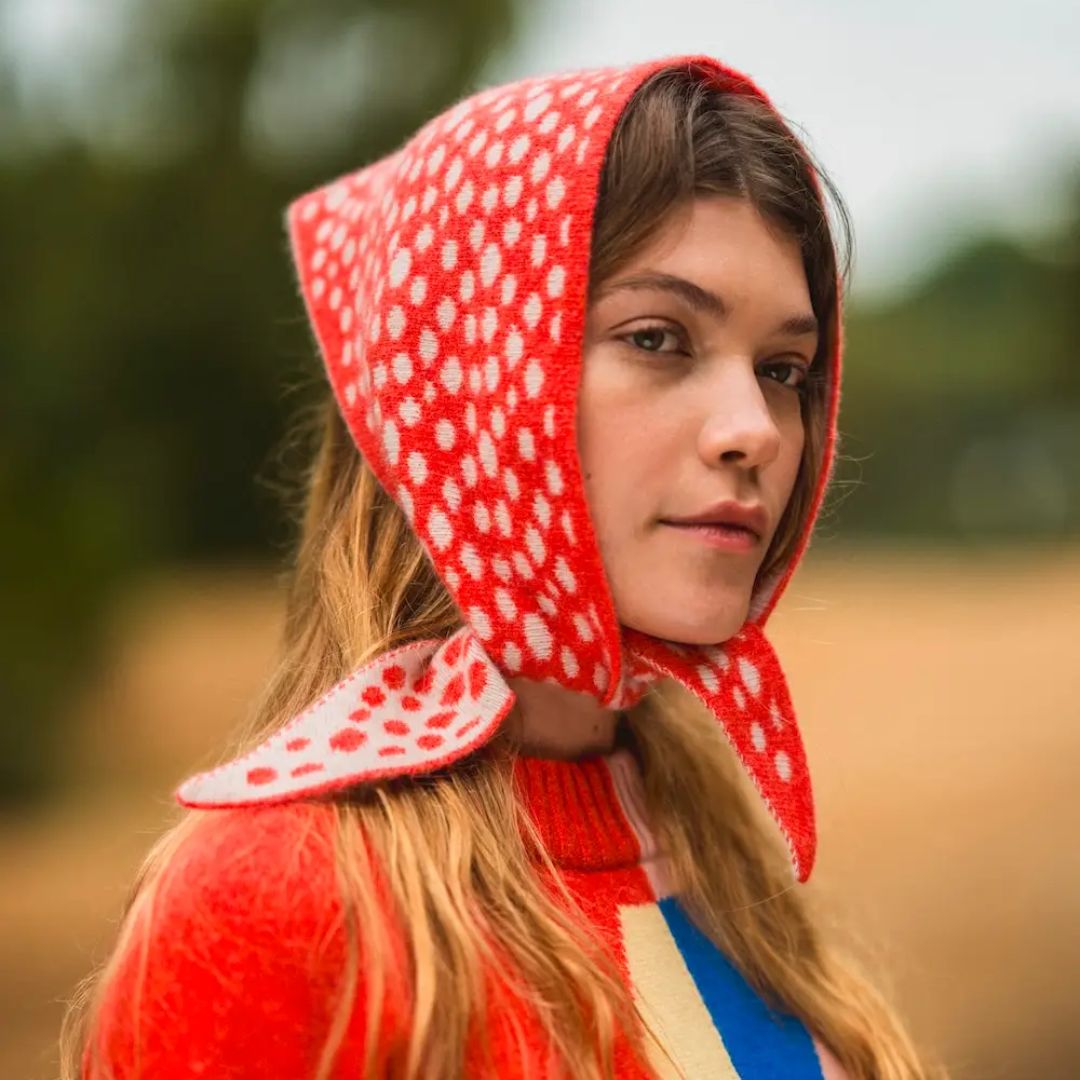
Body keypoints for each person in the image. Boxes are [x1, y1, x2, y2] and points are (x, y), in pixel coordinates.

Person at [62, 52, 942, 1079]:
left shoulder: (715, 848)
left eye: (783, 368)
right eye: (659, 338)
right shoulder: (271, 905)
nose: (755, 429)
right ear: (471, 377)